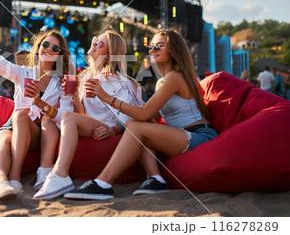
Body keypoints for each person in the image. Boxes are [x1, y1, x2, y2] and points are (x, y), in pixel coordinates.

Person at [62, 28, 217, 200]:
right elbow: (149, 116)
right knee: (138, 124)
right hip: (181, 135)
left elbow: (143, 114)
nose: (152, 50)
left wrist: (106, 97)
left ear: (173, 51)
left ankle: (103, 183)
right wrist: (116, 127)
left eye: (159, 47)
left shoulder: (175, 77)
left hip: (199, 135)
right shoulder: (162, 82)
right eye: (151, 46)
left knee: (135, 126)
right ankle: (155, 179)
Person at [0, 28, 73, 200]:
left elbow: (66, 115)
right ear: (38, 48)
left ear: (60, 55)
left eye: (55, 48)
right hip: (11, 126)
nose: (48, 49)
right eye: (45, 44)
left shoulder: (62, 84)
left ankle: (14, 176)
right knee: (5, 138)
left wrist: (40, 104)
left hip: (39, 131)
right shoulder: (23, 73)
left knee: (21, 114)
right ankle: (0, 182)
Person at [33, 30, 144, 200]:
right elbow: (82, 114)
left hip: (108, 128)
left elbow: (134, 115)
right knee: (54, 118)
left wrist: (114, 130)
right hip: (91, 124)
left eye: (100, 44)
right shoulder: (85, 76)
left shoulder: (122, 82)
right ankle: (49, 171)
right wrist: (75, 95)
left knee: (67, 118)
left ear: (109, 54)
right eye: (95, 39)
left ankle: (60, 174)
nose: (94, 44)